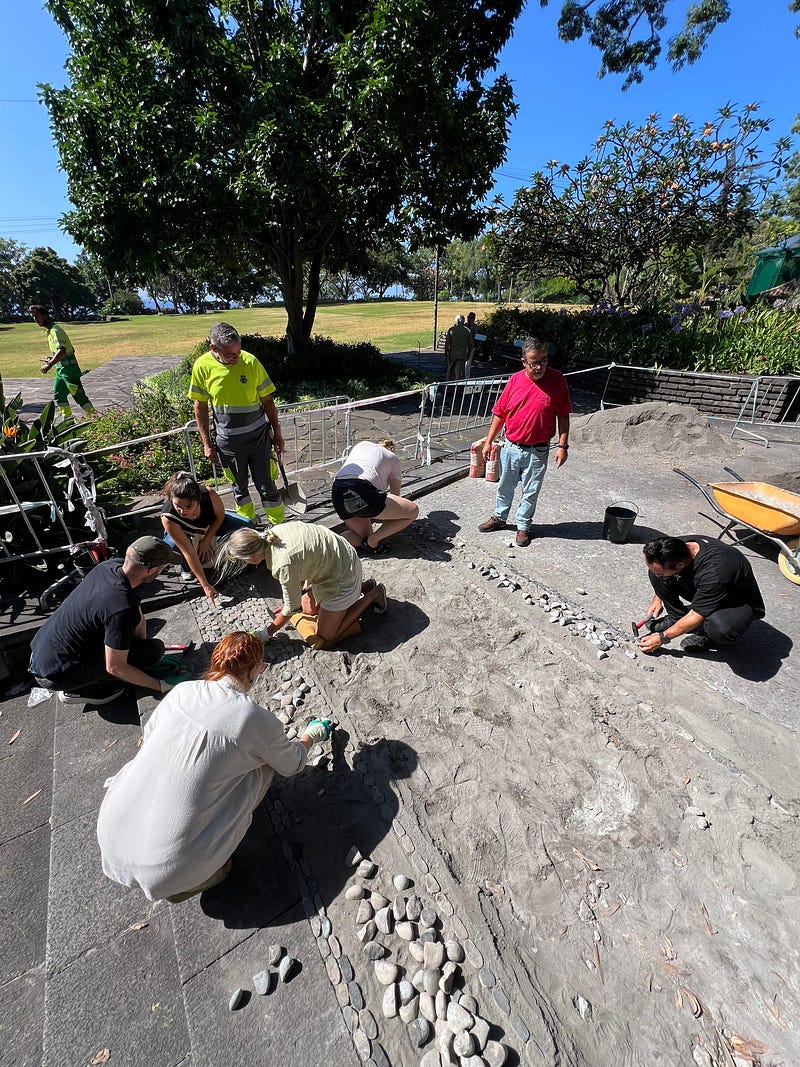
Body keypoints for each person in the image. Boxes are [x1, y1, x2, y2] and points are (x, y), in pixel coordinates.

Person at [97, 632, 334, 902]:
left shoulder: (182, 692)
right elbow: (292, 765)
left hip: (112, 833)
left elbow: (149, 739)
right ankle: (200, 876)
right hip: (168, 869)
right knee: (266, 767)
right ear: (255, 670)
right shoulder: (250, 717)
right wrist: (310, 737)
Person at [29, 536, 183, 704]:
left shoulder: (109, 566)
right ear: (151, 570)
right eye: (162, 567)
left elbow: (135, 610)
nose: (163, 570)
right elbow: (115, 667)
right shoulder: (121, 608)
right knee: (152, 651)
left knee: (145, 649)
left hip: (41, 653)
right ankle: (80, 690)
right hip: (56, 675)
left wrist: (140, 648)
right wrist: (159, 686)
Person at [224, 522, 387, 646]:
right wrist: (293, 598)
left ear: (252, 556)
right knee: (308, 608)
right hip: (342, 558)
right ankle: (365, 586)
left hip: (342, 576)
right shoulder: (273, 532)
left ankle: (373, 594)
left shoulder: (282, 563)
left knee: (326, 635)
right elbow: (300, 567)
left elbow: (293, 606)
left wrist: (266, 633)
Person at [478, 336, 572, 547]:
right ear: (524, 362)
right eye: (534, 363)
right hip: (511, 446)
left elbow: (563, 415)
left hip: (537, 450)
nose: (539, 367)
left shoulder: (557, 380)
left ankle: (523, 526)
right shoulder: (515, 380)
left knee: (531, 490)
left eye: (544, 361)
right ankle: (500, 518)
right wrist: (488, 441)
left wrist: (563, 446)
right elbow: (500, 413)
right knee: (505, 486)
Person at [189, 322, 285, 525]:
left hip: (259, 440)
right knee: (239, 489)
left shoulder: (250, 362)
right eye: (230, 354)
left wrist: (277, 433)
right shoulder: (202, 366)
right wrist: (207, 444)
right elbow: (200, 407)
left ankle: (280, 526)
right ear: (214, 349)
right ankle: (248, 527)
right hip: (229, 444)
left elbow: (268, 401)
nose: (237, 357)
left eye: (238, 351)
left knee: (267, 485)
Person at [638, 535, 765, 654]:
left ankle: (707, 634)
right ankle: (676, 616)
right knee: (658, 576)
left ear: (680, 565)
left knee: (721, 629)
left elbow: (696, 615)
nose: (657, 574)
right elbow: (660, 574)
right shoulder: (671, 548)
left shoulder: (716, 572)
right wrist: (657, 598)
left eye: (660, 572)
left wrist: (662, 638)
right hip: (707, 588)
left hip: (735, 602)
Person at [160, 470, 252, 602]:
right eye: (178, 506)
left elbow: (220, 516)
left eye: (188, 506)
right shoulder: (168, 517)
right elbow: (188, 552)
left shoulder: (208, 494)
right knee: (171, 546)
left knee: (246, 525)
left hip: (210, 524)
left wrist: (206, 539)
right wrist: (205, 585)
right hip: (184, 532)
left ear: (198, 499)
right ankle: (186, 567)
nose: (183, 510)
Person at [332, 438, 419, 553]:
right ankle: (373, 540)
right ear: (391, 450)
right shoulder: (393, 459)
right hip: (361, 489)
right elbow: (396, 496)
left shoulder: (361, 445)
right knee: (413, 510)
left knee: (363, 537)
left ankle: (335, 542)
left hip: (337, 491)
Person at [29, 305, 96, 422]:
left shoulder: (55, 330)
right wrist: (53, 359)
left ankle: (96, 419)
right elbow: (70, 349)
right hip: (61, 371)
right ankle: (68, 421)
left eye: (37, 316)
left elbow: (62, 350)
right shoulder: (50, 331)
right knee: (58, 395)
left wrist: (49, 364)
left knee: (79, 396)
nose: (35, 319)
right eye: (33, 317)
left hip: (69, 371)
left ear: (45, 315)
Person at [444, 314, 472, 381]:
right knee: (458, 372)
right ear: (463, 321)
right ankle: (456, 387)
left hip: (452, 353)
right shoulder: (467, 331)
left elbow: (447, 343)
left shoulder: (451, 330)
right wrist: (468, 354)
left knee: (449, 369)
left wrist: (445, 353)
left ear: (456, 321)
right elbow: (469, 344)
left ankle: (447, 386)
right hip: (462, 354)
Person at [465, 311, 478, 376]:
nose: (471, 319)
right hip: (464, 345)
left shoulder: (475, 326)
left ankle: (467, 375)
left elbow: (474, 334)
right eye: (470, 317)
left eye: (472, 318)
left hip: (471, 345)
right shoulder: (465, 325)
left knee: (469, 361)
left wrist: (472, 327)